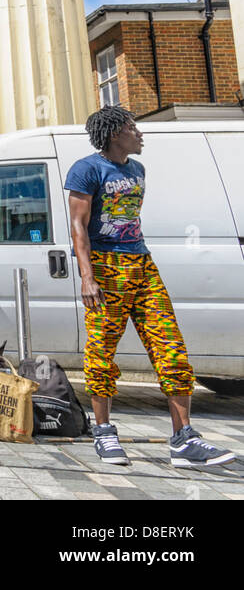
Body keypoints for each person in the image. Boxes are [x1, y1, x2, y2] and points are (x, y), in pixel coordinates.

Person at [67, 106, 235, 470]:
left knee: (171, 347)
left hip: (141, 264)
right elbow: (78, 226)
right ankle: (104, 431)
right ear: (114, 134)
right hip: (106, 268)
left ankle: (184, 439)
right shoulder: (87, 169)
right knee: (102, 350)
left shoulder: (137, 169)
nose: (139, 133)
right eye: (132, 128)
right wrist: (87, 276)